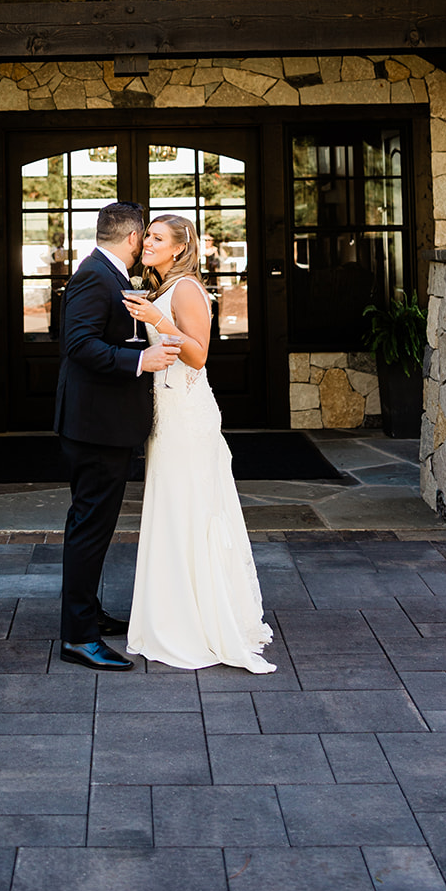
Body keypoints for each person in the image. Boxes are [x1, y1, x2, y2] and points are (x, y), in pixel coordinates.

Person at [122, 214, 277, 673]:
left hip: (188, 416)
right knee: (171, 510)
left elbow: (199, 355)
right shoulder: (160, 284)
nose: (146, 242)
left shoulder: (186, 288)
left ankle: (198, 621)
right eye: (146, 236)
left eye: (155, 238)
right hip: (167, 415)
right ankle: (172, 613)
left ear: (178, 248)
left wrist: (156, 318)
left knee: (190, 509)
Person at [54, 201, 182, 672]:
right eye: (143, 238)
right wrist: (139, 363)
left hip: (100, 425)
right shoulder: (94, 276)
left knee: (94, 527)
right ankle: (78, 637)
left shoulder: (103, 272)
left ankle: (86, 614)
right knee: (89, 529)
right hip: (93, 428)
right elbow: (79, 344)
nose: (144, 244)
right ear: (132, 238)